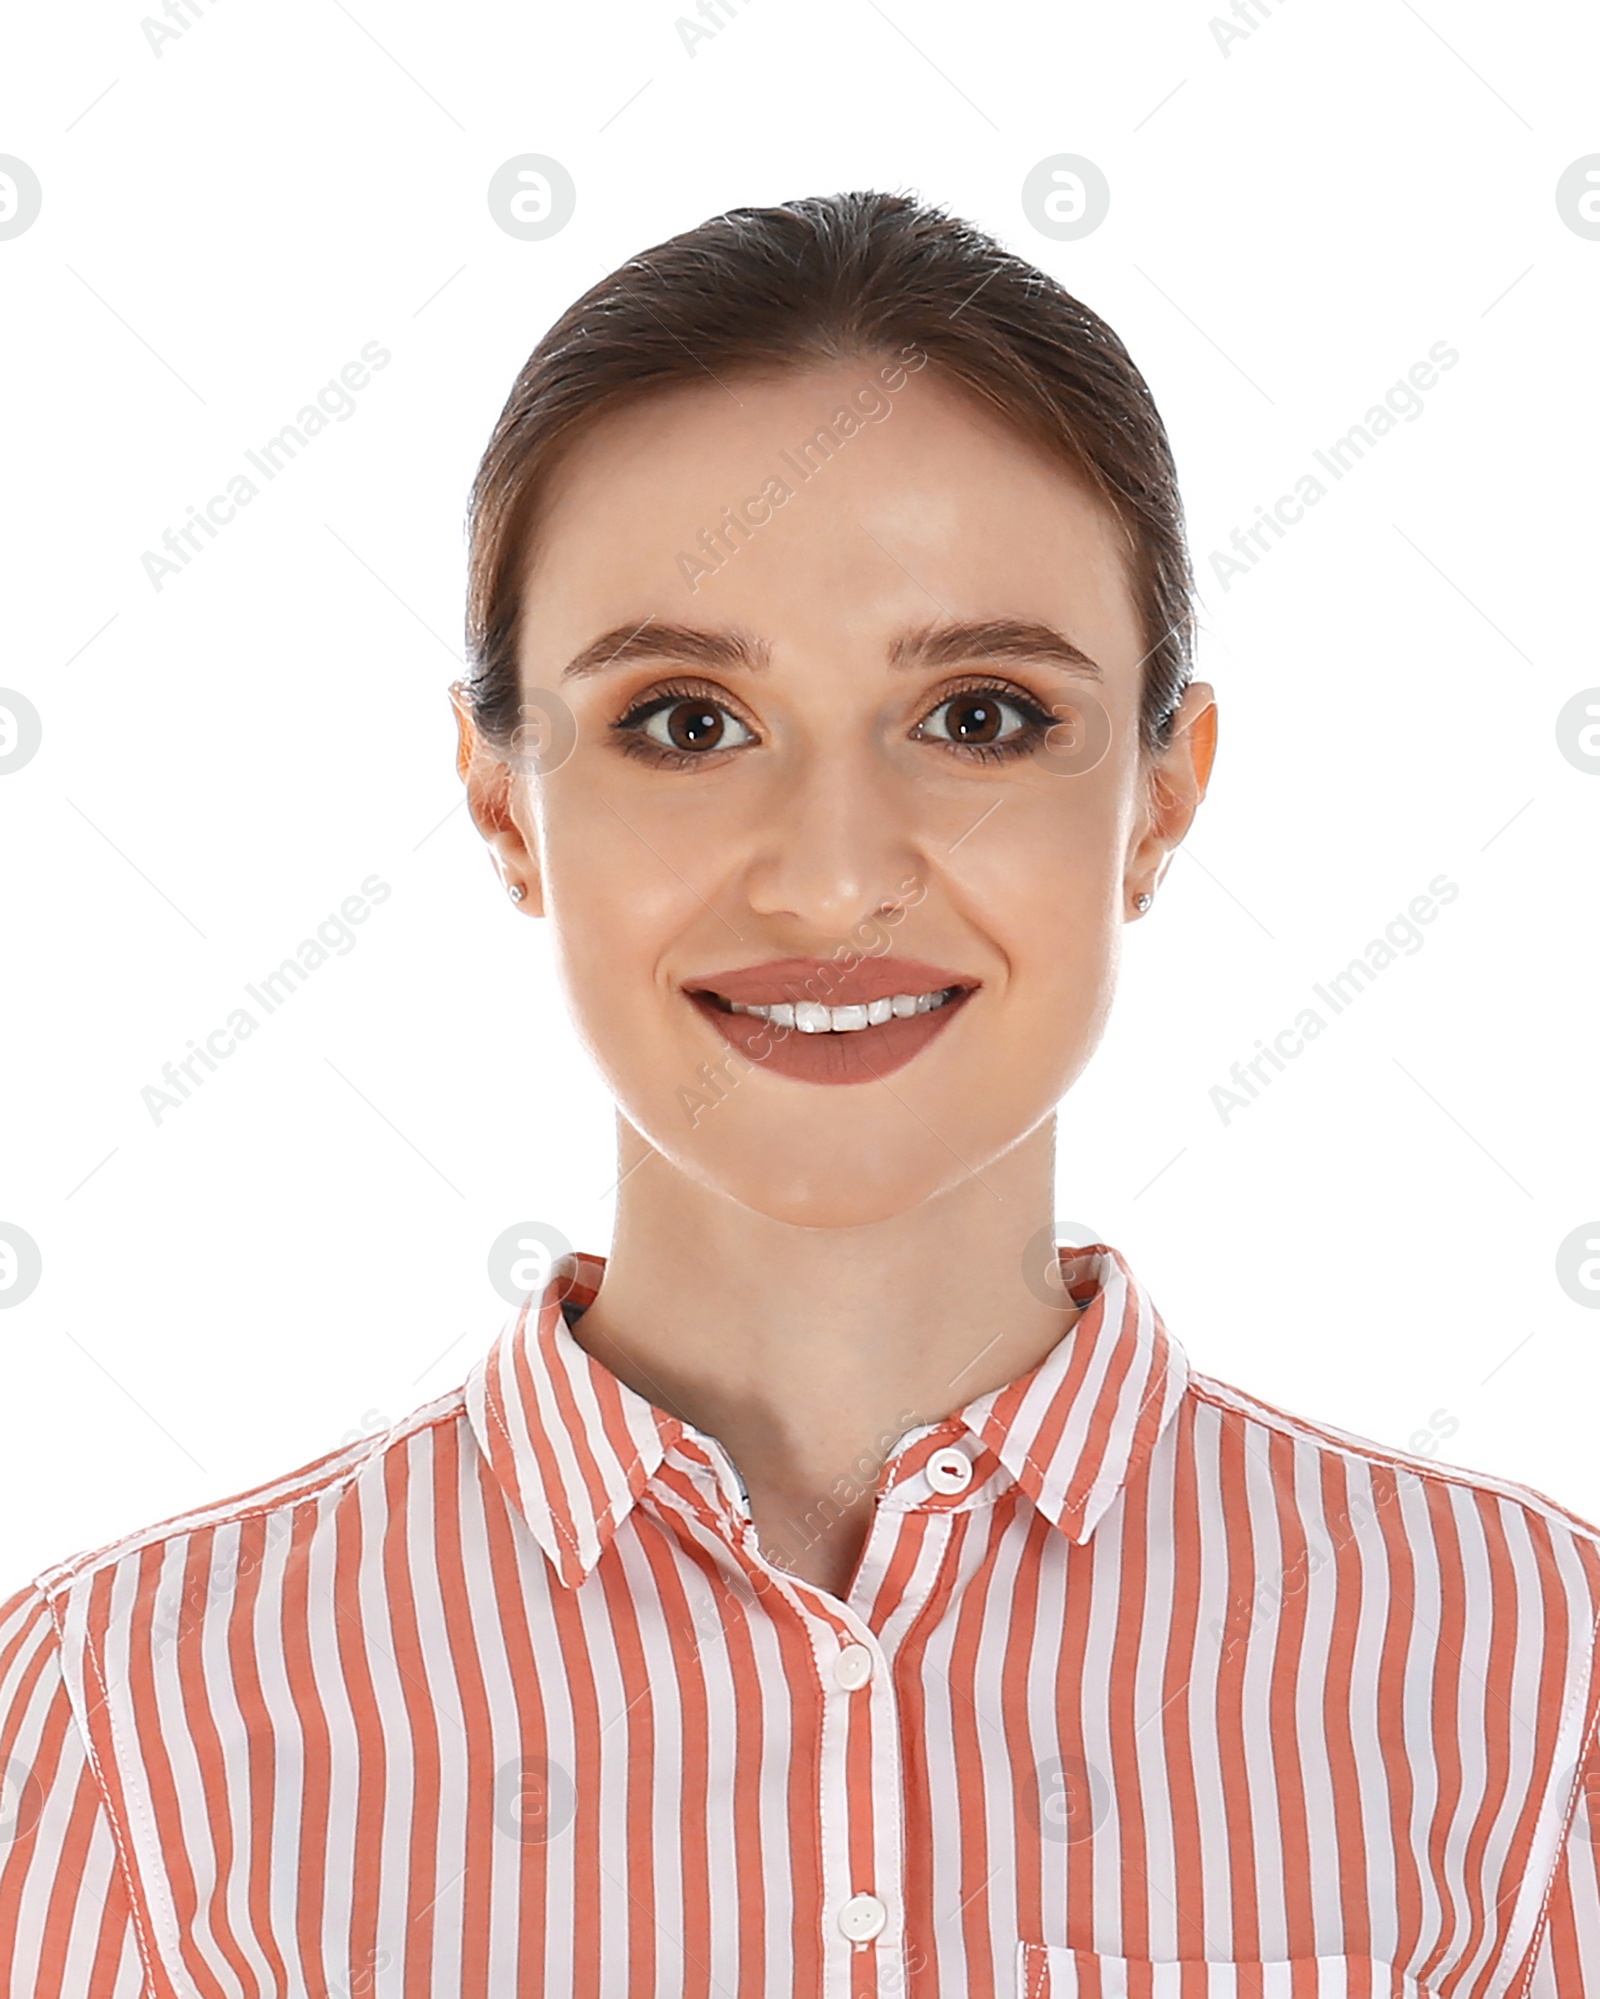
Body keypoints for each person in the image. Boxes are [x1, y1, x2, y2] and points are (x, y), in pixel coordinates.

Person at [2, 189, 1596, 1999]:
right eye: (686, 720)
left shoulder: (1533, 1670)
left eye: (982, 716)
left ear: (1161, 795)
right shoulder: (129, 1710)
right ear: (503, 799)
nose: (834, 883)